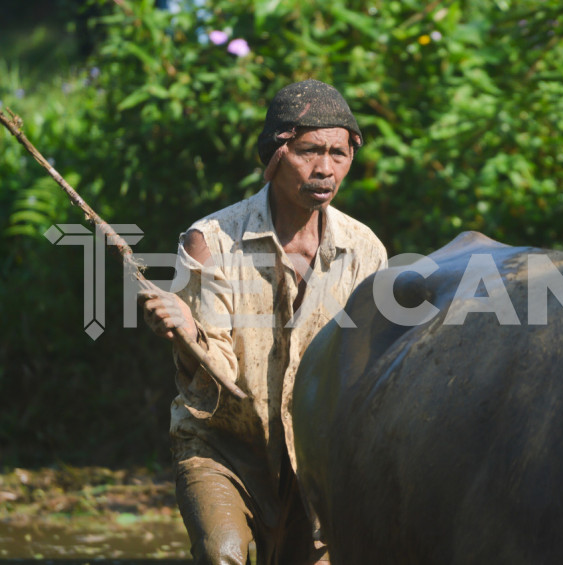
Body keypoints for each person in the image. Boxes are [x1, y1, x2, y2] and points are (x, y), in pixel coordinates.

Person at [139, 79, 387, 564]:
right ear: (274, 157)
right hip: (223, 448)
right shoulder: (210, 241)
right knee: (223, 554)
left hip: (315, 465)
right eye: (309, 150)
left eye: (338, 153)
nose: (325, 168)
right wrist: (186, 332)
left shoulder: (365, 251)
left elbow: (365, 377)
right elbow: (220, 377)